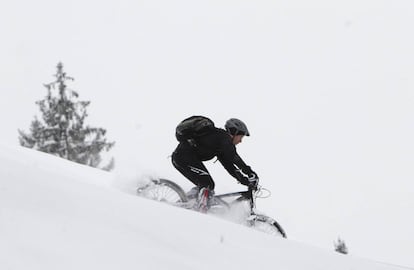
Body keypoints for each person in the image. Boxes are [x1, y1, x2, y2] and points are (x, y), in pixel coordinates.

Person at [171, 118, 259, 211]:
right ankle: (201, 210)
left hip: (181, 159)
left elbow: (230, 166)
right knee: (208, 184)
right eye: (241, 137)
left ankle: (185, 203)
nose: (240, 141)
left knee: (205, 185)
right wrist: (250, 173)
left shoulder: (220, 145)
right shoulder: (223, 137)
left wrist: (244, 181)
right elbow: (234, 157)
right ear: (234, 132)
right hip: (183, 158)